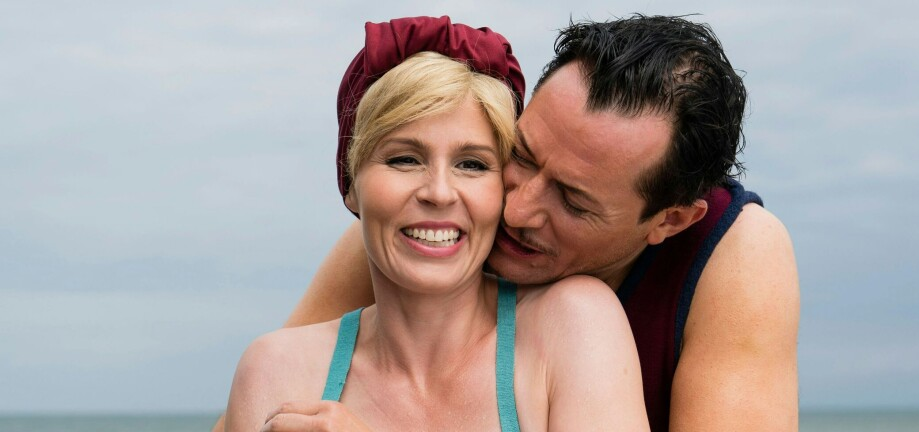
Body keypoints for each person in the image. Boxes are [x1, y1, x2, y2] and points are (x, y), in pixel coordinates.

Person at [282, 14, 800, 432]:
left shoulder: (736, 255)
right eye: (522, 155)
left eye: (572, 200)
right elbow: (286, 388)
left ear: (671, 220)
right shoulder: (434, 227)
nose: (516, 210)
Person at [223, 17, 649, 432]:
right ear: (351, 185)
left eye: (472, 164)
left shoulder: (573, 324)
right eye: (404, 159)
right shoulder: (274, 372)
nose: (440, 193)